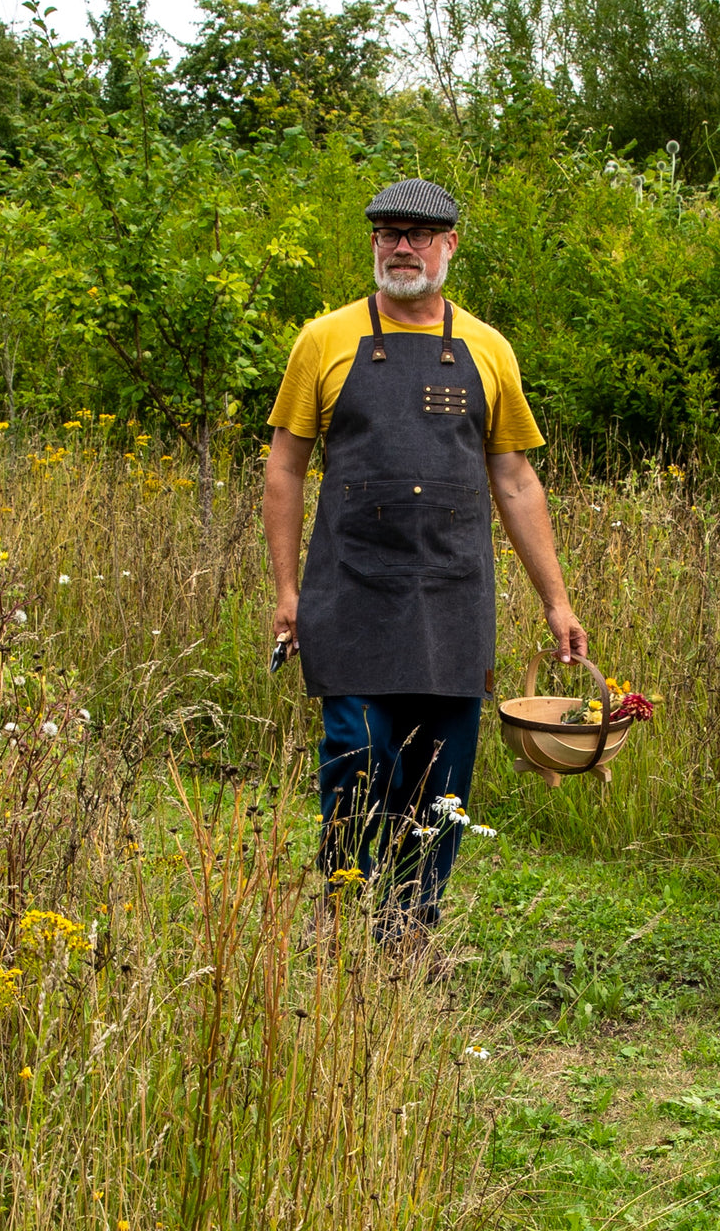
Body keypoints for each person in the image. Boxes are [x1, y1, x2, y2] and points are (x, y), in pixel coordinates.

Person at [263, 177, 586, 943]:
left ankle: (412, 922)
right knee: (359, 748)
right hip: (347, 587)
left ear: (449, 245)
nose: (401, 247)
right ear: (374, 242)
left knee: (442, 778)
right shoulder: (324, 340)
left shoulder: (487, 347)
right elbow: (284, 468)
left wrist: (557, 601)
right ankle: (342, 897)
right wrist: (284, 590)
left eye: (417, 234)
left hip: (451, 590)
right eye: (387, 233)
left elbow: (514, 478)